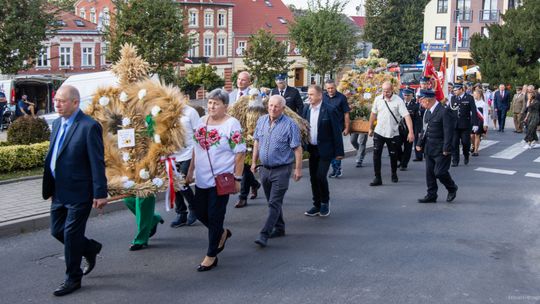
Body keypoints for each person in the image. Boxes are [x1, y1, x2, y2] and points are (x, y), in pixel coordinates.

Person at [42, 85, 108, 296]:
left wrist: (100, 193)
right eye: (56, 100)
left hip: (80, 191)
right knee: (56, 230)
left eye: (61, 101)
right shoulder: (56, 123)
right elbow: (56, 155)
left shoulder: (89, 126)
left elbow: (97, 162)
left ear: (75, 103)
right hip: (59, 190)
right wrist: (51, 185)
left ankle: (73, 278)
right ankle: (89, 248)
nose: (57, 104)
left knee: (71, 235)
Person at [186, 88, 246, 272]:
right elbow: (196, 149)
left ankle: (211, 255)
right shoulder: (202, 122)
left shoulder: (231, 124)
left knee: (215, 215)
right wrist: (190, 172)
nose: (211, 106)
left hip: (222, 179)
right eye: (210, 102)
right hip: (202, 178)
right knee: (198, 211)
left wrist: (237, 178)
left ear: (225, 106)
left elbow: (240, 153)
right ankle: (221, 233)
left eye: (216, 103)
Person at [251, 95, 303, 247]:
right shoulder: (261, 121)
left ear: (283, 108)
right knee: (272, 202)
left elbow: (297, 149)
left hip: (282, 170)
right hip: (264, 170)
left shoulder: (290, 125)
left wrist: (298, 169)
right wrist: (254, 162)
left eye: (276, 106)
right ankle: (279, 228)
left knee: (274, 202)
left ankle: (264, 234)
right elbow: (256, 142)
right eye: (271, 105)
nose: (273, 108)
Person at [302, 85, 344, 217]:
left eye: (312, 94)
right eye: (308, 94)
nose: (309, 97)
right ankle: (316, 204)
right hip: (312, 149)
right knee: (313, 178)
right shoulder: (305, 109)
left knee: (320, 176)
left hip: (326, 149)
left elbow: (337, 132)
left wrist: (339, 153)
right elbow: (303, 128)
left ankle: (325, 202)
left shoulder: (330, 110)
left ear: (320, 95)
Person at [368, 81, 414, 186]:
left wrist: (410, 132)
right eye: (384, 91)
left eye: (388, 91)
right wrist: (370, 128)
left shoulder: (398, 101)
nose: (385, 93)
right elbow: (373, 114)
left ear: (392, 90)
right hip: (379, 131)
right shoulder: (378, 99)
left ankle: (394, 173)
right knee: (376, 155)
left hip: (393, 132)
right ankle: (377, 177)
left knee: (393, 155)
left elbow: (407, 116)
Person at [416, 89, 458, 204]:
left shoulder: (444, 111)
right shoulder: (427, 112)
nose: (420, 103)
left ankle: (452, 188)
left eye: (422, 100)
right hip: (429, 147)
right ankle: (431, 195)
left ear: (428, 100)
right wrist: (419, 143)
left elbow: (448, 131)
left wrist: (446, 148)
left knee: (439, 172)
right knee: (429, 173)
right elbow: (424, 129)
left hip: (441, 148)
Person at [230, 71, 261, 208]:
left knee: (244, 167)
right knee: (242, 167)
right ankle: (255, 184)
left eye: (243, 80)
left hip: (248, 135)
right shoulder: (231, 95)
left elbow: (257, 115)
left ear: (249, 82)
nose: (240, 82)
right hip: (234, 134)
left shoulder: (254, 95)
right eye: (238, 79)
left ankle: (243, 197)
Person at [170, 105, 200, 228]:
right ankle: (181, 213)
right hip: (172, 155)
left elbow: (198, 133)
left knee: (182, 182)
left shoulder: (190, 111)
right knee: (173, 184)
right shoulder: (164, 112)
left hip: (188, 153)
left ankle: (194, 208)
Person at [323, 79, 350, 178]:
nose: (330, 90)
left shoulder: (341, 98)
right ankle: (334, 168)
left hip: (337, 127)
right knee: (328, 149)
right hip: (325, 127)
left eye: (332, 88)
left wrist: (347, 128)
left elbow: (346, 113)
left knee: (337, 149)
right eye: (328, 88)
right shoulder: (323, 97)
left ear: (335, 87)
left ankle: (337, 169)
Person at [448, 83, 478, 167]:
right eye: (453, 90)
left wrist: (475, 124)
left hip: (465, 125)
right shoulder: (453, 98)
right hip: (454, 125)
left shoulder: (469, 97)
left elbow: (474, 111)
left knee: (465, 143)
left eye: (456, 90)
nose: (454, 92)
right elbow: (449, 111)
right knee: (454, 143)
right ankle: (455, 160)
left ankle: (466, 155)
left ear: (461, 89)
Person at [400, 88, 422, 170]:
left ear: (412, 95)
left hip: (409, 130)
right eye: (405, 95)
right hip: (399, 129)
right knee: (397, 146)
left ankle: (404, 164)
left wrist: (418, 131)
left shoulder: (415, 106)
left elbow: (417, 120)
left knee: (407, 148)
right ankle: (401, 159)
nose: (406, 97)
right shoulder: (400, 104)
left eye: (408, 95)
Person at [471, 90, 488, 156]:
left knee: (477, 135)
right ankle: (473, 145)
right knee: (471, 135)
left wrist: (485, 124)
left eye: (475, 94)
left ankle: (476, 150)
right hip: (473, 120)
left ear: (479, 95)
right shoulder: (472, 103)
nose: (474, 95)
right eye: (473, 94)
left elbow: (485, 115)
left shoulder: (483, 104)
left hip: (480, 121)